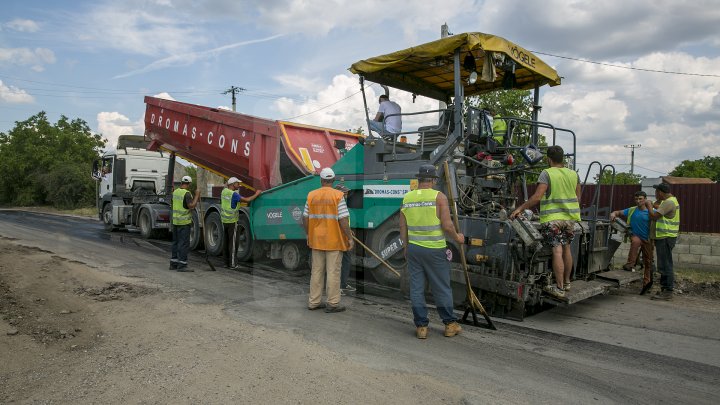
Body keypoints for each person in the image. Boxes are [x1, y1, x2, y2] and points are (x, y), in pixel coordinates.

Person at [399, 164, 464, 339]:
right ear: (434, 180)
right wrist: (458, 238)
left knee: (417, 288)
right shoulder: (439, 197)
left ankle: (421, 327)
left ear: (419, 180)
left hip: (414, 249)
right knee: (441, 287)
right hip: (435, 250)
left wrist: (406, 246)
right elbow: (447, 225)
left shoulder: (407, 198)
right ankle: (450, 324)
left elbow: (402, 226)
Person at [510, 145, 581, 299]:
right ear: (562, 158)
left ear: (549, 159)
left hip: (552, 220)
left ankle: (560, 287)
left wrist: (519, 209)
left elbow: (537, 197)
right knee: (567, 248)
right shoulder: (573, 174)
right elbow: (578, 197)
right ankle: (568, 283)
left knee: (557, 250)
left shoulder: (546, 173)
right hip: (569, 219)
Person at [302, 168, 354, 313]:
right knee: (333, 272)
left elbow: (305, 217)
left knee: (316, 272)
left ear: (321, 180)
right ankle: (332, 303)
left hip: (316, 240)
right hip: (334, 241)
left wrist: (308, 234)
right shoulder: (338, 196)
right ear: (333, 180)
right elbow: (343, 219)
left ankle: (314, 302)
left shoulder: (311, 195)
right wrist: (349, 238)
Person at [610, 191, 654, 294]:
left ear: (645, 199)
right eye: (636, 199)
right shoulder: (631, 210)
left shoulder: (651, 212)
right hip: (636, 236)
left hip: (648, 239)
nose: (638, 201)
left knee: (648, 262)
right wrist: (613, 213)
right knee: (635, 242)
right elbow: (618, 212)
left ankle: (646, 283)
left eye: (640, 199)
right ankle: (630, 264)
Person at [646, 182, 680, 301]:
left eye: (656, 192)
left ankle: (668, 290)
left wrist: (649, 205)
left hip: (666, 236)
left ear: (660, 192)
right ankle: (665, 289)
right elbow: (659, 207)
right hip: (665, 236)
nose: (655, 194)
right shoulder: (669, 201)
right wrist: (655, 204)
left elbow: (654, 216)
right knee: (664, 263)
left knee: (666, 264)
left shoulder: (669, 202)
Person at [221, 176, 261, 269]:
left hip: (224, 220)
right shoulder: (234, 195)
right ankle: (233, 264)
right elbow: (247, 200)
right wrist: (257, 194)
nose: (239, 185)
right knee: (233, 244)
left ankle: (226, 263)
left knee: (226, 242)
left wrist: (227, 183)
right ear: (232, 184)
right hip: (232, 221)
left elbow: (225, 185)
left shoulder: (224, 192)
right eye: (237, 183)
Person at [170, 175, 201, 272]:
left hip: (175, 221)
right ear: (189, 184)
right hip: (184, 222)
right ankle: (182, 265)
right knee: (183, 244)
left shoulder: (175, 192)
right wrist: (196, 195)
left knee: (175, 242)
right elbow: (191, 206)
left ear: (181, 182)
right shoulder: (187, 194)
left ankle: (173, 263)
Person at [335, 184, 356, 295]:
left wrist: (349, 230)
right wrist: (349, 236)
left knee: (346, 261)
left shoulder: (342, 204)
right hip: (339, 239)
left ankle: (343, 284)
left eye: (347, 193)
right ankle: (337, 287)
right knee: (338, 263)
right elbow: (339, 221)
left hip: (345, 237)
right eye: (344, 193)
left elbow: (344, 222)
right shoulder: (336, 203)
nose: (346, 195)